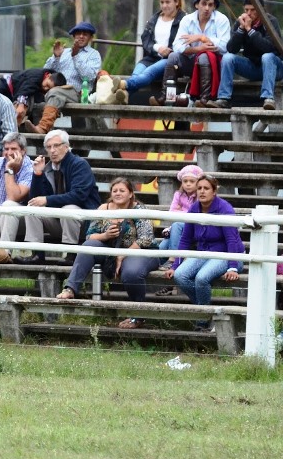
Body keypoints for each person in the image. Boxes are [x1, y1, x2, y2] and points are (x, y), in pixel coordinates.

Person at [54, 178, 160, 329]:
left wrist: (122, 255)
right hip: (110, 252)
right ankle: (70, 289)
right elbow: (90, 235)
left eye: (122, 190)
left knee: (131, 272)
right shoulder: (104, 208)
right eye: (114, 190)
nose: (118, 193)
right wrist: (105, 235)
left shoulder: (139, 210)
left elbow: (146, 239)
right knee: (88, 246)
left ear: (131, 194)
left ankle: (137, 316)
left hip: (140, 252)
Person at [163, 175, 244, 331]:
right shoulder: (194, 208)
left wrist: (233, 267)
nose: (202, 191)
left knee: (201, 278)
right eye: (199, 188)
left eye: (206, 188)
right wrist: (175, 265)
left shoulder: (225, 208)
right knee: (180, 275)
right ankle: (208, 313)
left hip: (228, 255)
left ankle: (202, 321)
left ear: (214, 191)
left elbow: (232, 240)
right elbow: (185, 239)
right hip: (204, 253)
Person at [14, 130, 100, 265]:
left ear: (66, 146)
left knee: (69, 208)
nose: (52, 150)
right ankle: (36, 254)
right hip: (59, 220)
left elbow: (78, 196)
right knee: (33, 208)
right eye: (49, 147)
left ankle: (70, 254)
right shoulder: (47, 168)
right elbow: (36, 198)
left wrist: (47, 200)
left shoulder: (79, 164)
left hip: (85, 223)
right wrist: (37, 174)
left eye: (56, 146)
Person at [158, 0, 231, 106]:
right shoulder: (187, 20)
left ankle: (204, 99)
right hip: (191, 61)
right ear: (197, 5)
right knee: (173, 56)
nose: (207, 8)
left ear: (214, 7)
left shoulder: (222, 20)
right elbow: (177, 46)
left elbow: (224, 46)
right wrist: (199, 49)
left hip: (214, 65)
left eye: (210, 5)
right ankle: (166, 97)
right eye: (204, 4)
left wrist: (202, 38)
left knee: (204, 57)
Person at [27, 22, 102, 135]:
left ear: (90, 38)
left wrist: (76, 56)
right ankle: (31, 128)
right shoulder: (64, 52)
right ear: (74, 36)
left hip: (79, 94)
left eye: (85, 34)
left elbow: (89, 77)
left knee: (55, 92)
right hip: (55, 91)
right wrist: (56, 57)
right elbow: (45, 72)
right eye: (78, 34)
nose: (81, 36)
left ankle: (43, 128)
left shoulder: (94, 54)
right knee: (38, 91)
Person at [210, 0, 283, 110]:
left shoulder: (270, 21)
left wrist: (250, 30)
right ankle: (224, 98)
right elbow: (231, 49)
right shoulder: (241, 22)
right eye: (246, 10)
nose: (249, 13)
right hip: (253, 67)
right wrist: (241, 29)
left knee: (267, 56)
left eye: (253, 10)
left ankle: (268, 98)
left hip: (274, 68)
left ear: (261, 9)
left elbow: (269, 48)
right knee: (228, 58)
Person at [119, 0, 186, 97]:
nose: (164, 5)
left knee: (147, 74)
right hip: (151, 57)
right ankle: (122, 96)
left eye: (168, 2)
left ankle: (121, 84)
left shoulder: (184, 20)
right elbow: (145, 39)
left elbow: (183, 43)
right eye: (162, 2)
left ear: (177, 2)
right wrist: (157, 48)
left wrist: (168, 51)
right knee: (136, 75)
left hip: (169, 60)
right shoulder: (154, 19)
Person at [155, 164, 203, 297]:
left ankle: (173, 259)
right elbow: (172, 212)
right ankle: (168, 284)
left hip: (194, 231)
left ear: (198, 183)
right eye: (185, 181)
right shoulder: (178, 194)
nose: (188, 184)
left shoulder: (200, 196)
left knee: (176, 225)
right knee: (162, 246)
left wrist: (181, 212)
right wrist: (184, 214)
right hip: (180, 230)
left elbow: (195, 216)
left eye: (192, 181)